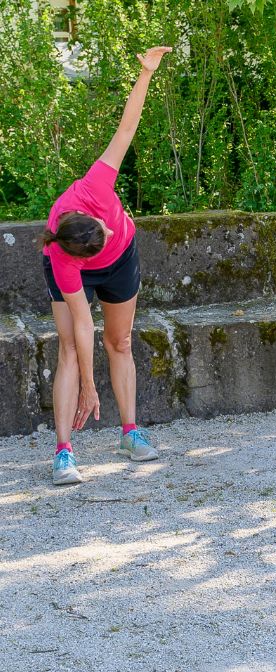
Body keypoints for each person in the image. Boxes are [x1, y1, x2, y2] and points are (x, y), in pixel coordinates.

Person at [40, 46, 172, 486]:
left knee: (121, 341)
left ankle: (130, 433)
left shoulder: (95, 187)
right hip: (78, 279)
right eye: (100, 240)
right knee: (69, 350)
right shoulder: (62, 257)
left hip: (122, 267)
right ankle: (63, 453)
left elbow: (127, 126)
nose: (108, 232)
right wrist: (87, 386)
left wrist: (147, 73)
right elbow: (81, 325)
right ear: (78, 253)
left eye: (105, 229)